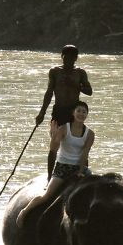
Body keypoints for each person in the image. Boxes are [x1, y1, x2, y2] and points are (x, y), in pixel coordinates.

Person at [17, 101, 94, 227]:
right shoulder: (64, 128)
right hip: (63, 167)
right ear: (73, 113)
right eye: (78, 111)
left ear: (87, 115)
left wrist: (80, 171)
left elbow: (85, 154)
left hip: (80, 168)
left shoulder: (90, 134)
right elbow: (54, 148)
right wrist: (54, 136)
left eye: (84, 112)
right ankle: (24, 211)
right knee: (47, 196)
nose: (81, 114)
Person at [36, 44, 93, 181]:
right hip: (59, 110)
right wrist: (42, 113)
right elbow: (49, 92)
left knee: (79, 144)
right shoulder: (55, 71)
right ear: (62, 57)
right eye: (66, 57)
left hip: (74, 112)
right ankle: (50, 177)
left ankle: (82, 175)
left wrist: (75, 85)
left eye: (72, 58)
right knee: (54, 143)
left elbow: (89, 92)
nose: (69, 60)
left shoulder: (80, 72)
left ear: (76, 58)